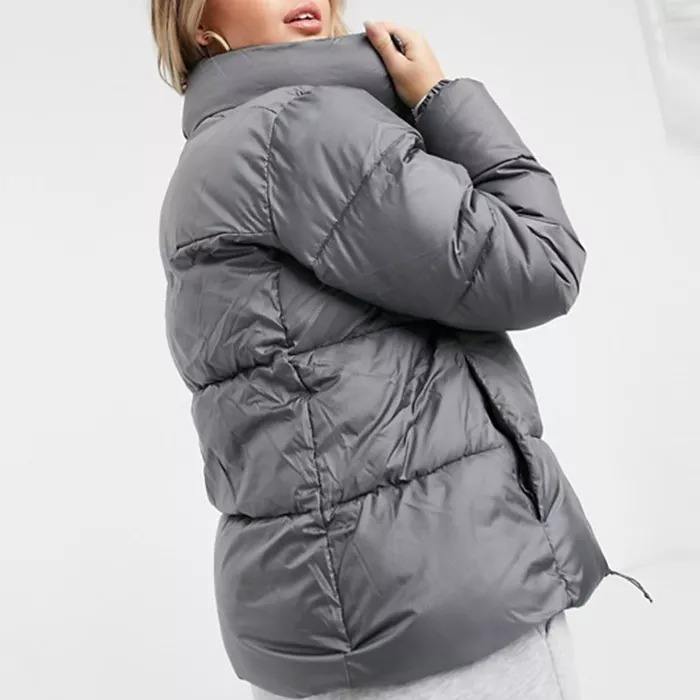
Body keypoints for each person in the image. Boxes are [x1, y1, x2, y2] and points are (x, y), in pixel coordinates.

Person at [150, 2, 653, 698]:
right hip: (436, 604)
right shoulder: (303, 125)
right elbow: (541, 265)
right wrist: (442, 99)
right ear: (196, 24)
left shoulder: (209, 160)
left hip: (316, 623)